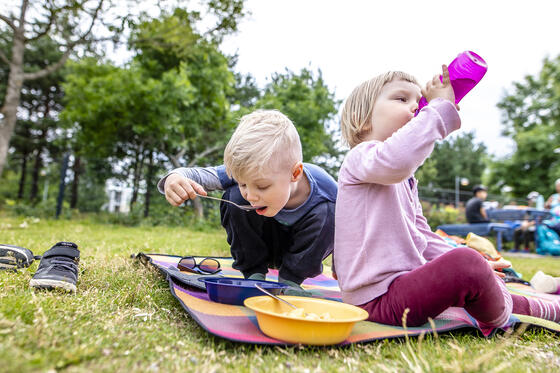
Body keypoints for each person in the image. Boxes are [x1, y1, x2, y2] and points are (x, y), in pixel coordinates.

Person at [334, 66, 560, 328]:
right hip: (375, 299)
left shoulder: (403, 180)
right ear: (361, 118)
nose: (415, 108)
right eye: (401, 99)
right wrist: (439, 109)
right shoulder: (360, 158)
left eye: (418, 102)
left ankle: (547, 308)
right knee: (468, 266)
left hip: (403, 287)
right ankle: (499, 318)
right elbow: (399, 157)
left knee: (471, 265)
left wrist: (480, 265)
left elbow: (422, 237)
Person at [158, 110, 337, 294]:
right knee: (234, 195)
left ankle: (290, 282)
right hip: (262, 245)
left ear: (295, 173)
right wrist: (174, 177)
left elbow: (354, 228)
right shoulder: (250, 173)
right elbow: (199, 175)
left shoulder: (329, 193)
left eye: (262, 186)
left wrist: (341, 261)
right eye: (244, 183)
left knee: (331, 213)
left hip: (301, 252)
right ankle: (254, 274)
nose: (251, 196)